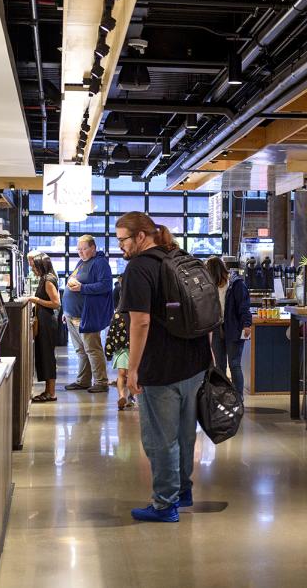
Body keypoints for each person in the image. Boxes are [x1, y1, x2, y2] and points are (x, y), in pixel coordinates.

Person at [117, 212, 212, 523]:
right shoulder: (181, 257)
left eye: (123, 240)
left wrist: (132, 369)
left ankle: (164, 504)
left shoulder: (139, 268)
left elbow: (140, 321)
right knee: (186, 434)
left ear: (141, 237)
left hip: (160, 367)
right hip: (195, 363)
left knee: (160, 438)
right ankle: (183, 491)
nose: (121, 247)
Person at [62, 235, 114, 393]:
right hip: (72, 315)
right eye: (79, 249)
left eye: (84, 249)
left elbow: (105, 285)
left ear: (93, 248)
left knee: (92, 349)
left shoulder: (100, 263)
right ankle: (83, 380)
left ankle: (101, 382)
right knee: (81, 351)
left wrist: (83, 288)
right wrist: (66, 310)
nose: (81, 252)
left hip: (87, 315)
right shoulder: (82, 262)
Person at [206, 256, 251, 400]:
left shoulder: (236, 284)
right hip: (216, 329)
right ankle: (222, 396)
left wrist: (246, 325)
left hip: (234, 329)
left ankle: (238, 397)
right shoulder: (212, 286)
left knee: (234, 364)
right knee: (219, 366)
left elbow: (244, 307)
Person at [26, 255, 61, 402]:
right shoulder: (46, 278)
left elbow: (56, 303)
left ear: (42, 266)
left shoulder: (48, 280)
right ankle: (48, 391)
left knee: (47, 356)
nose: (33, 270)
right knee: (44, 355)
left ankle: (51, 393)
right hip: (44, 320)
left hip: (47, 322)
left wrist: (36, 300)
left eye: (35, 267)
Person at [107, 277, 134, 411]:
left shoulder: (117, 315)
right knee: (132, 374)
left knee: (121, 374)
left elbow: (111, 334)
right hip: (134, 349)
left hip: (121, 349)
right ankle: (131, 398)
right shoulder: (137, 314)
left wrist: (109, 351)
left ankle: (121, 395)